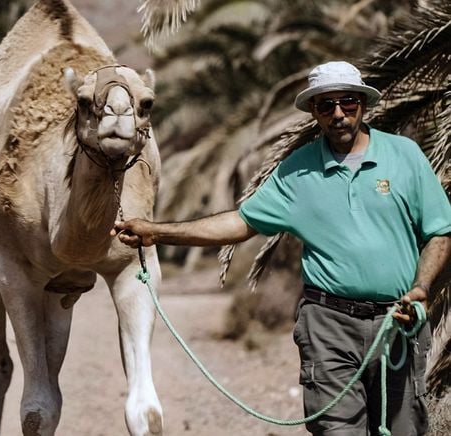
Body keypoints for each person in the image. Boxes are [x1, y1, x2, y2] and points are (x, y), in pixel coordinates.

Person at [111, 60, 451, 435]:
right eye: (326, 105)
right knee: (337, 430)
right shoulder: (297, 171)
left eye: (348, 102)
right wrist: (157, 232)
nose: (338, 113)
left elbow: (440, 231)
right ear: (315, 113)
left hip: (398, 324)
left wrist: (421, 290)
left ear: (363, 105)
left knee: (405, 429)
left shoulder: (405, 157)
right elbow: (241, 223)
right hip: (329, 326)